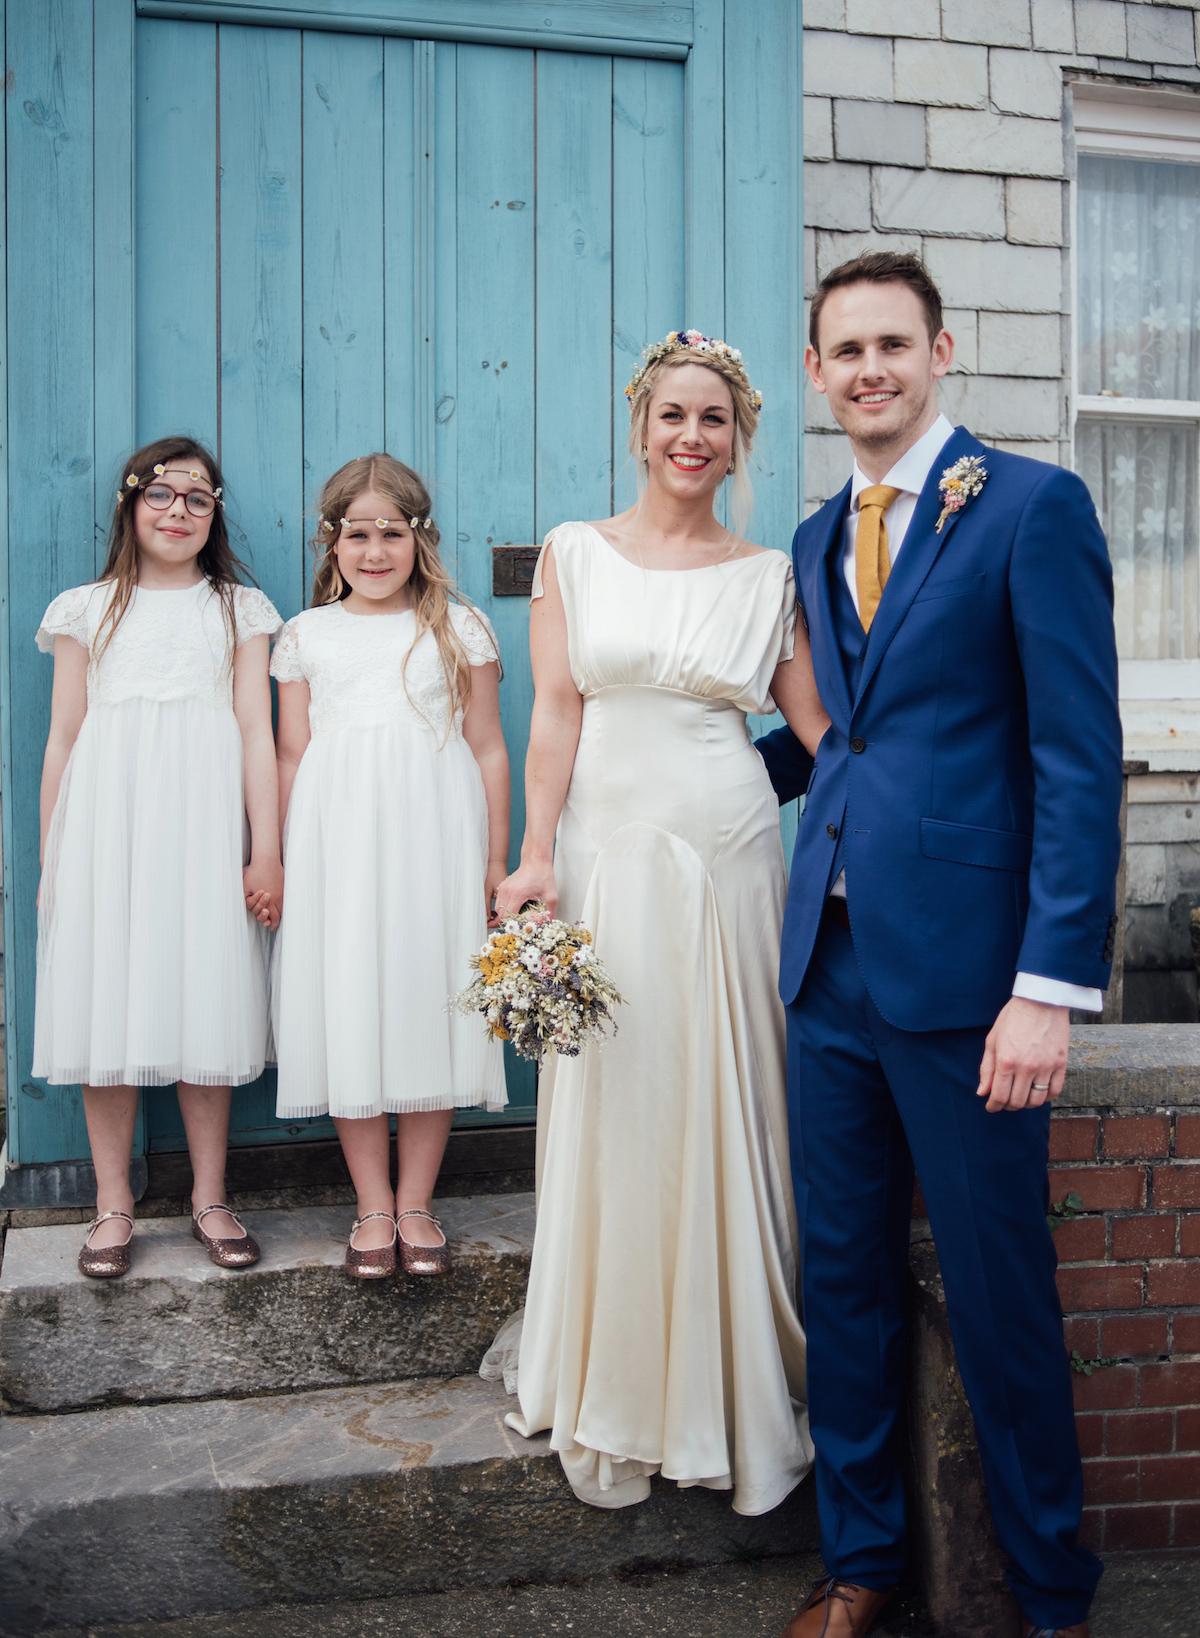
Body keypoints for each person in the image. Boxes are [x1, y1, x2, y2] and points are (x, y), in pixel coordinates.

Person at [758, 253, 1122, 1638]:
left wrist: (1047, 988)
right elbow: (840, 741)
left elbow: (1081, 761)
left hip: (974, 984)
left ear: (941, 349)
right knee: (839, 1283)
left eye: (892, 344)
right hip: (828, 968)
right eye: (843, 348)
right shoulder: (807, 538)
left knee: (998, 1295)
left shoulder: (1031, 506)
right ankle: (862, 1567)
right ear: (816, 371)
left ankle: (1050, 1597)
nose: (868, 369)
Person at [491, 331, 828, 1514]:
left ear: (740, 444)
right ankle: (616, 1367)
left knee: (722, 1083)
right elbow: (553, 718)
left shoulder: (768, 574)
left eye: (716, 420)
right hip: (602, 846)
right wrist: (536, 857)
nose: (693, 437)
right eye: (674, 416)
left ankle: (726, 1375)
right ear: (641, 430)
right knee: (621, 1088)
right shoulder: (575, 554)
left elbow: (820, 734)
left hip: (728, 844)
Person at [35, 438, 283, 1280]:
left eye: (198, 499)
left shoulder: (238, 611)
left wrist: (265, 849)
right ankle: (114, 1202)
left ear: (214, 516)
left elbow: (258, 733)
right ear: (129, 506)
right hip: (110, 826)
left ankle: (211, 1197)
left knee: (203, 994)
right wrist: (54, 853)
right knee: (108, 999)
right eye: (162, 495)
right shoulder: (87, 608)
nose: (178, 512)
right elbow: (65, 737)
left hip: (203, 826)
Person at [270, 454, 510, 1279]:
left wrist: (495, 860)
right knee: (353, 1003)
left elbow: (488, 749)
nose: (375, 552)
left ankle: (417, 1200)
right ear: (331, 543)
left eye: (392, 534)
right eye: (357, 534)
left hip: (434, 841)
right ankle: (372, 1200)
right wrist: (281, 856)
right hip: (338, 845)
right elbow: (292, 755)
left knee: (427, 998)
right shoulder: (306, 637)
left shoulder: (459, 627)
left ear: (420, 539)